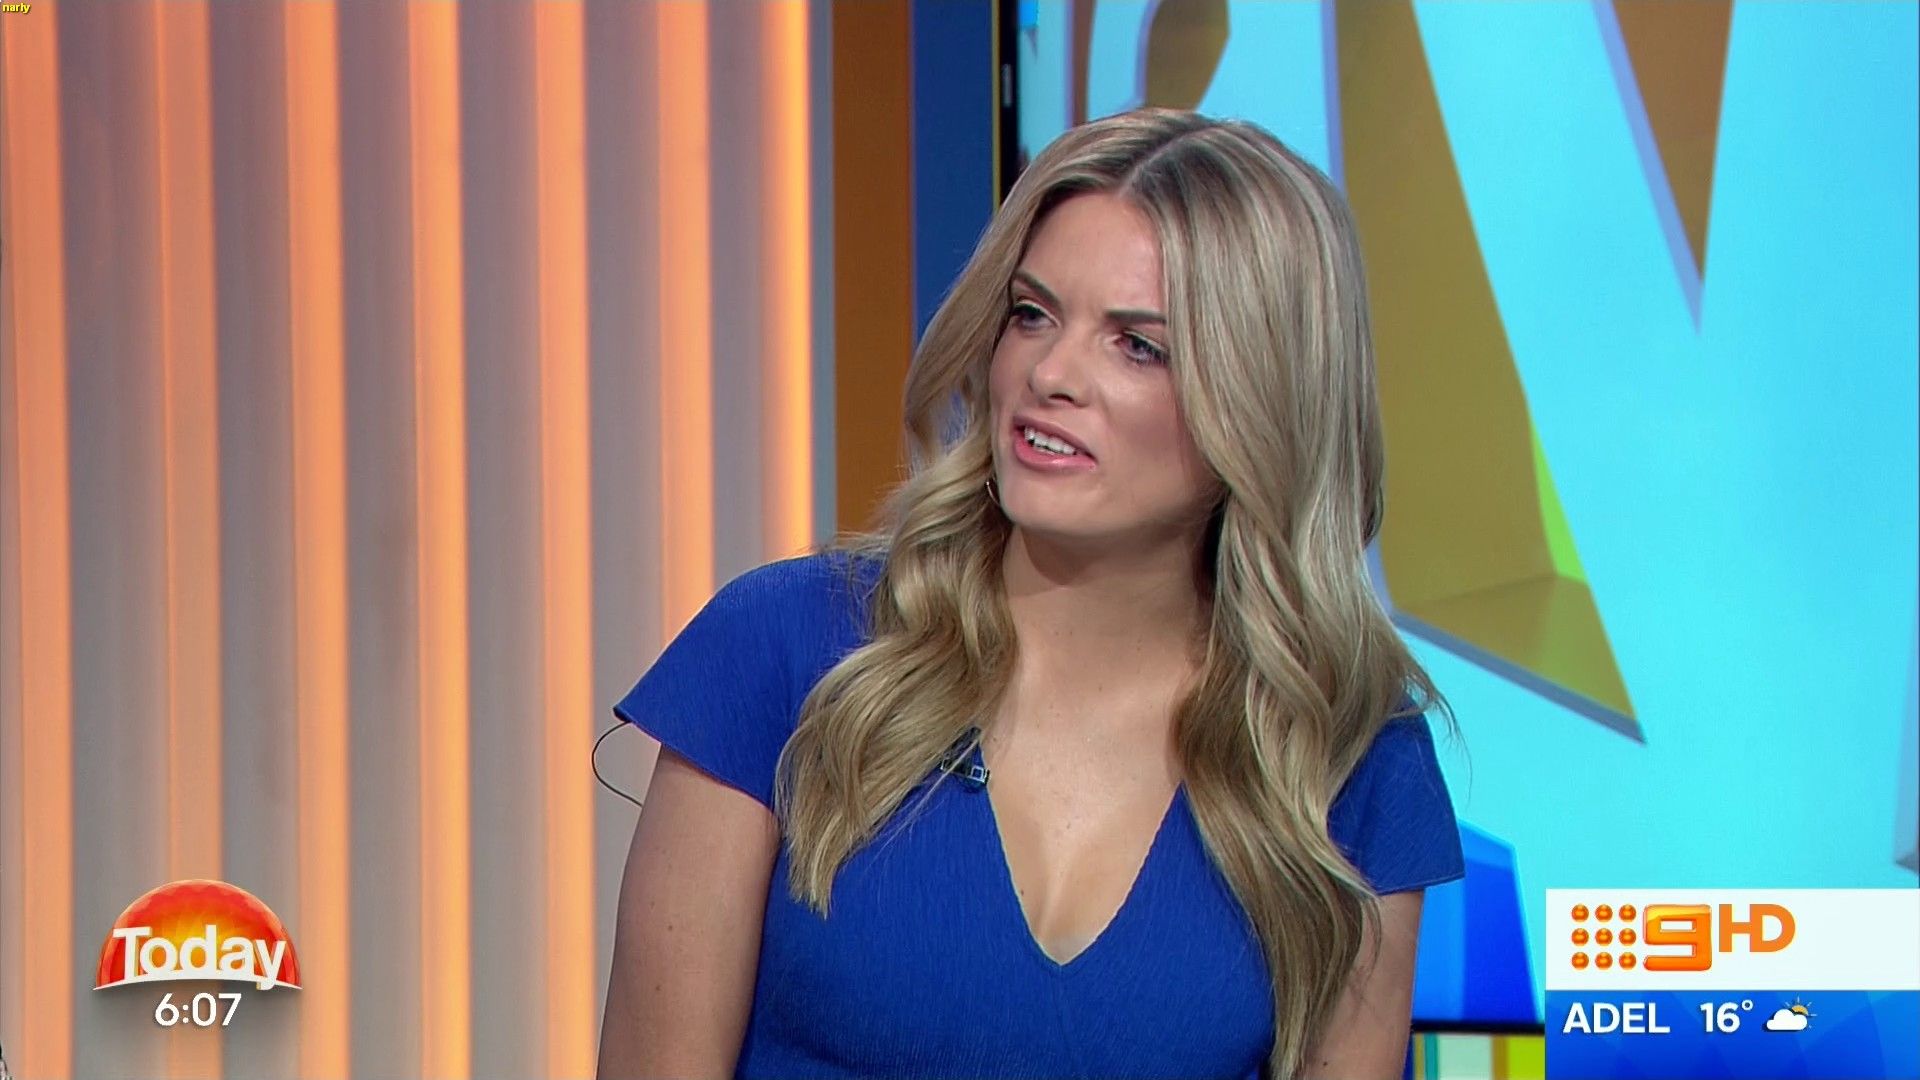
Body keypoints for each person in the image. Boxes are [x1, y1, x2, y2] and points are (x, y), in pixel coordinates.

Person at [597, 107, 1464, 1080]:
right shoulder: (786, 650)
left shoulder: (1345, 749)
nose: (1050, 373)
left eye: (1137, 346)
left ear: (1263, 401)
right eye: (1031, 314)